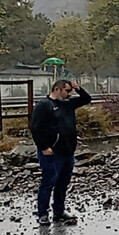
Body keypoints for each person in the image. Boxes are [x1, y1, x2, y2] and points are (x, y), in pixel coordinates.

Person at [29, 79, 91, 225]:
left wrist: (78, 89)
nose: (69, 94)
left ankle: (59, 211)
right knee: (48, 181)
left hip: (68, 150)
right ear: (57, 89)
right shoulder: (44, 105)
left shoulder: (68, 104)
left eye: (70, 91)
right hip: (52, 151)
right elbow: (36, 128)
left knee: (63, 182)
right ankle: (43, 213)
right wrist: (44, 147)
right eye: (67, 91)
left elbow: (87, 99)